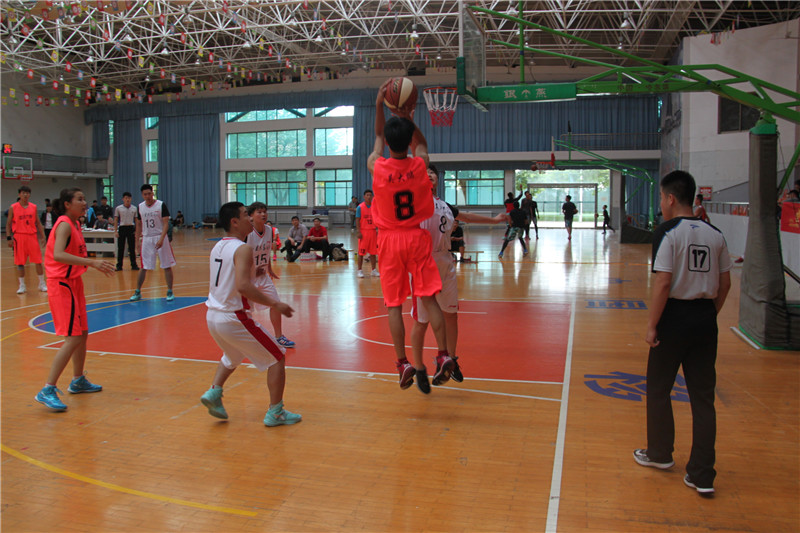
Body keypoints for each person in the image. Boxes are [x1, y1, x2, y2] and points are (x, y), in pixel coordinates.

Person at [634, 170, 732, 497]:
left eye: (662, 198)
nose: (662, 205)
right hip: (705, 318)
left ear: (671, 198)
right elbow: (725, 284)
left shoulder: (667, 233)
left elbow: (663, 282)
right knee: (703, 399)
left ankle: (660, 453)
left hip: (673, 318)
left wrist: (652, 325)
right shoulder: (716, 234)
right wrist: (708, 314)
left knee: (659, 389)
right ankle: (702, 474)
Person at [367, 79, 450, 394]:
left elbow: (378, 135)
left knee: (393, 305)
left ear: (389, 143)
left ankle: (402, 363)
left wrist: (380, 104)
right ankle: (443, 354)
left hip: (389, 240)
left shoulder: (377, 167)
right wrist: (407, 118)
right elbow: (422, 144)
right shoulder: (419, 166)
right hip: (416, 237)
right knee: (428, 298)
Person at [199, 201, 300, 426]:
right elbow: (243, 286)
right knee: (277, 356)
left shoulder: (218, 247)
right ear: (235, 222)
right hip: (233, 317)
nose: (250, 218)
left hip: (212, 316)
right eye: (246, 215)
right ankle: (276, 412)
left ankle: (214, 392)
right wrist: (275, 304)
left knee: (233, 356)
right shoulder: (242, 248)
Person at [411, 164, 506, 386]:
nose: (430, 175)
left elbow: (468, 216)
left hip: (445, 261)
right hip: (423, 262)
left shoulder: (445, 206)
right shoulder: (414, 203)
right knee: (422, 321)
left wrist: (494, 220)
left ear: (438, 179)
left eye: (433, 173)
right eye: (425, 173)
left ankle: (450, 360)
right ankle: (418, 368)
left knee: (451, 314)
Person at [34, 187, 116, 411]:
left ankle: (78, 380)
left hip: (73, 283)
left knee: (83, 333)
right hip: (61, 284)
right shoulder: (63, 224)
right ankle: (47, 389)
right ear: (67, 204)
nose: (84, 202)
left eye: (84, 198)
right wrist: (92, 262)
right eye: (79, 199)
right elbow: (58, 254)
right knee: (72, 337)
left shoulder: (76, 224)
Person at [246, 202, 295, 348]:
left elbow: (266, 251)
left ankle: (279, 336)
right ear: (251, 216)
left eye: (264, 212)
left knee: (276, 304)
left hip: (263, 275)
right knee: (246, 311)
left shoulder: (269, 230)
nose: (263, 214)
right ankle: (244, 338)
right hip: (248, 278)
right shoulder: (247, 233)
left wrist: (269, 268)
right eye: (259, 212)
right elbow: (240, 256)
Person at [130, 184, 176, 302]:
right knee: (143, 266)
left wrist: (161, 238)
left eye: (149, 193)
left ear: (153, 193)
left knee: (166, 265)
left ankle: (170, 291)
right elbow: (138, 225)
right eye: (145, 194)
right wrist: (137, 241)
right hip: (147, 238)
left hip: (160, 236)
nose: (148, 196)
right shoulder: (140, 207)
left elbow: (166, 224)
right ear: (142, 195)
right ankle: (138, 291)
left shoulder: (161, 205)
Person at [6, 184, 47, 294]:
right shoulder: (13, 207)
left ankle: (42, 283)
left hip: (32, 236)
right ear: (19, 194)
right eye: (23, 193)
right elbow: (8, 223)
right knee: (20, 262)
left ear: (29, 195)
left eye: (27, 193)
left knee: (38, 261)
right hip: (19, 236)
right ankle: (22, 285)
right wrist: (9, 237)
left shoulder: (33, 207)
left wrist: (43, 236)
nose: (25, 195)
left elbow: (38, 223)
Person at [355, 189, 379, 278]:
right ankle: (359, 270)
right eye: (367, 195)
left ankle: (373, 270)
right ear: (364, 197)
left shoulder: (375, 206)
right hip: (363, 231)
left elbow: (377, 219)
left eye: (370, 195)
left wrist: (378, 229)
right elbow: (357, 220)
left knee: (373, 252)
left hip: (373, 231)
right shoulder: (360, 207)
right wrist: (358, 231)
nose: (369, 197)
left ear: (372, 197)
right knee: (361, 253)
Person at [114, 192, 139, 271]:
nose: (127, 200)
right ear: (123, 199)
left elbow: (136, 220)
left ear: (131, 199)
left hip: (131, 228)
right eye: (126, 198)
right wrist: (115, 231)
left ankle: (134, 265)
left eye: (129, 198)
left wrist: (137, 231)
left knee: (132, 248)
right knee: (120, 248)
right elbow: (116, 219)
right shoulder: (118, 208)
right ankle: (119, 265)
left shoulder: (134, 208)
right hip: (122, 228)